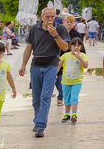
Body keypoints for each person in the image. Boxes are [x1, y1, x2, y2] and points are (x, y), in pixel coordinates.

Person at [18, 7, 70, 137]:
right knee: (36, 98)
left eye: (52, 16)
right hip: (36, 64)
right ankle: (37, 120)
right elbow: (29, 47)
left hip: (51, 64)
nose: (50, 19)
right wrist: (23, 65)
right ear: (42, 17)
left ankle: (40, 125)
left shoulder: (61, 28)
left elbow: (65, 47)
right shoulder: (35, 29)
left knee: (46, 96)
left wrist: (55, 35)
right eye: (47, 17)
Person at [58, 38, 88, 124]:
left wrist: (80, 58)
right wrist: (55, 75)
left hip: (77, 81)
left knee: (74, 97)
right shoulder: (65, 55)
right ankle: (67, 114)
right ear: (70, 46)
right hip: (66, 81)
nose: (76, 47)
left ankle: (74, 114)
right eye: (74, 45)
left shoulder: (83, 56)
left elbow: (85, 66)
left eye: (78, 46)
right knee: (66, 97)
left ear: (81, 47)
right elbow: (59, 65)